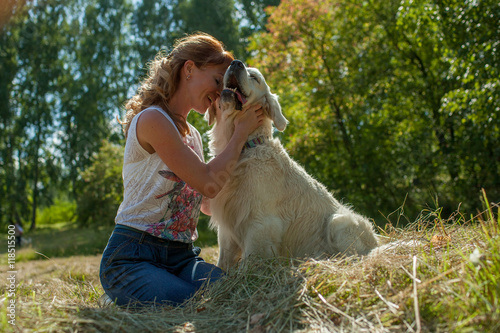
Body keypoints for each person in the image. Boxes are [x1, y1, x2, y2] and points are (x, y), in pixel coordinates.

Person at [99, 33, 264, 307]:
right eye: (216, 80)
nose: (218, 92)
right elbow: (208, 183)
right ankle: (118, 293)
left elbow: (209, 204)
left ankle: (137, 295)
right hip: (133, 255)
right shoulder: (153, 119)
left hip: (182, 257)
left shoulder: (194, 138)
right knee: (193, 304)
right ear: (189, 69)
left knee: (234, 294)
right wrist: (240, 134)